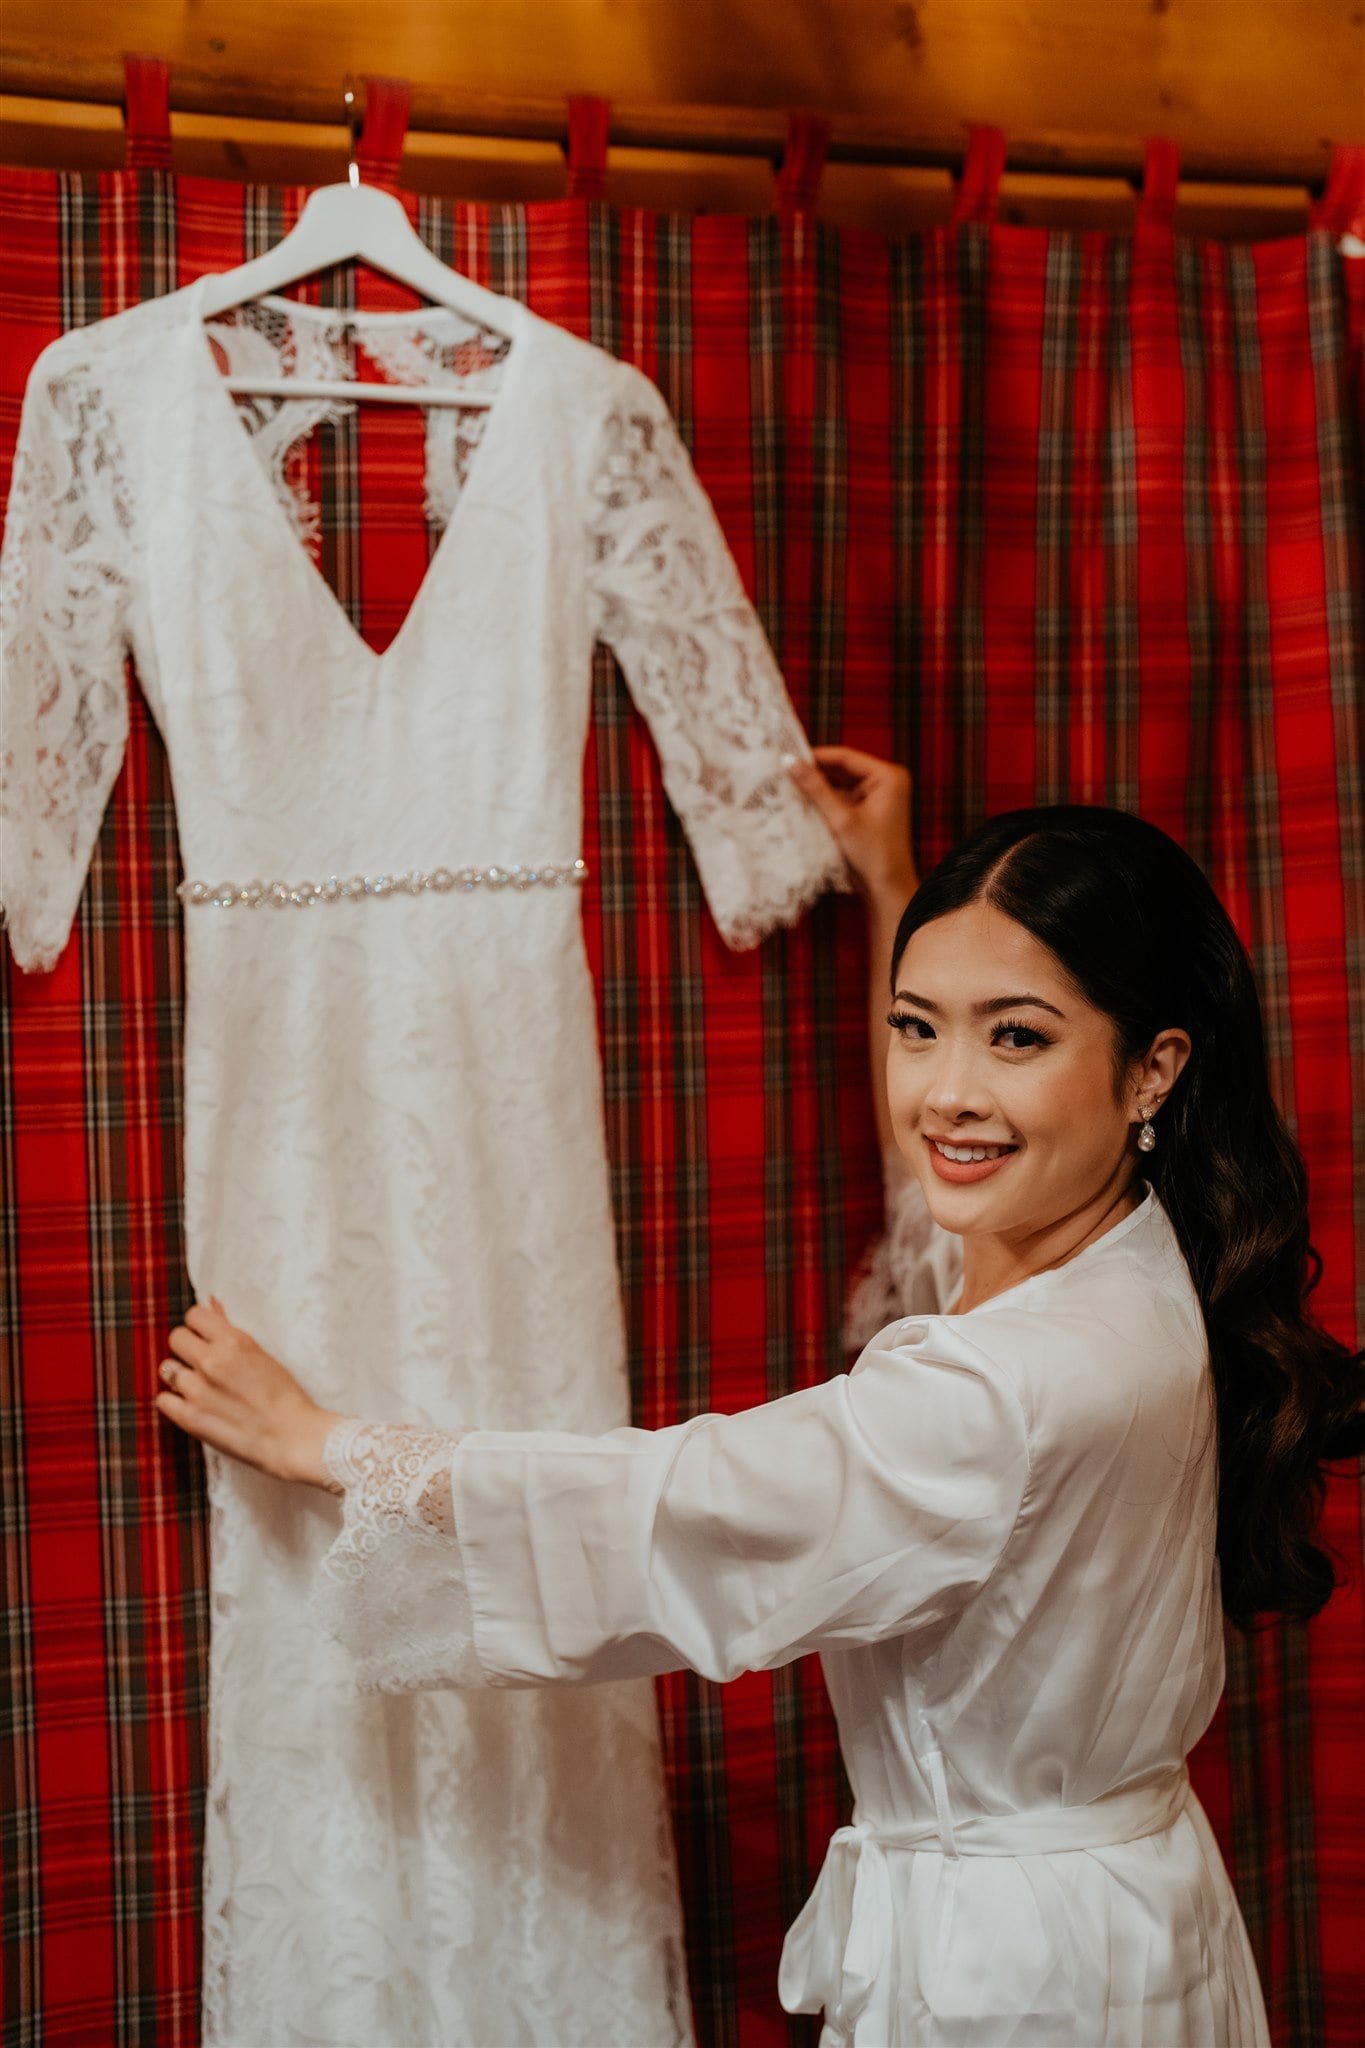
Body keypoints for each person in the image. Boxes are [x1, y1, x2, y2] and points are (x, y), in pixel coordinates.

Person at [155, 749, 1363, 2048]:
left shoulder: (995, 1388)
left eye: (1016, 1035)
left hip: (1014, 1983)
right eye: (919, 1026)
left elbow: (679, 1504)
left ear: (1149, 1071)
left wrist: (323, 1442)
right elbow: (944, 1189)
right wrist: (890, 885)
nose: (945, 1088)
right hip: (1141, 1917)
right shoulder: (1141, 1253)